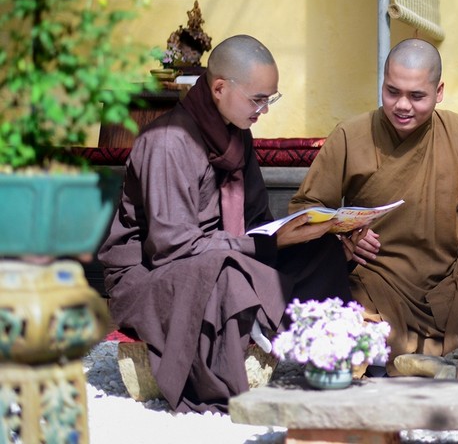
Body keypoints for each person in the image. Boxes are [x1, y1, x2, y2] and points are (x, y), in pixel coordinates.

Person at [98, 35, 357, 414]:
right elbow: (172, 248)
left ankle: (324, 357)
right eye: (258, 99)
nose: (264, 110)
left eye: (271, 98)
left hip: (218, 256)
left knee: (321, 253)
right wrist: (264, 246)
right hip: (150, 277)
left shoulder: (237, 135)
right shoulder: (169, 143)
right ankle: (236, 358)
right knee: (228, 273)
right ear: (219, 88)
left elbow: (255, 223)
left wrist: (298, 232)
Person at [288, 38, 458, 373]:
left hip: (448, 284)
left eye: (417, 96)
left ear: (439, 92)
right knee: (353, 319)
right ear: (383, 83)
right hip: (377, 283)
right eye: (392, 91)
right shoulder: (351, 135)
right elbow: (307, 209)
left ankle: (420, 350)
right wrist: (343, 235)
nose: (402, 105)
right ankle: (416, 350)